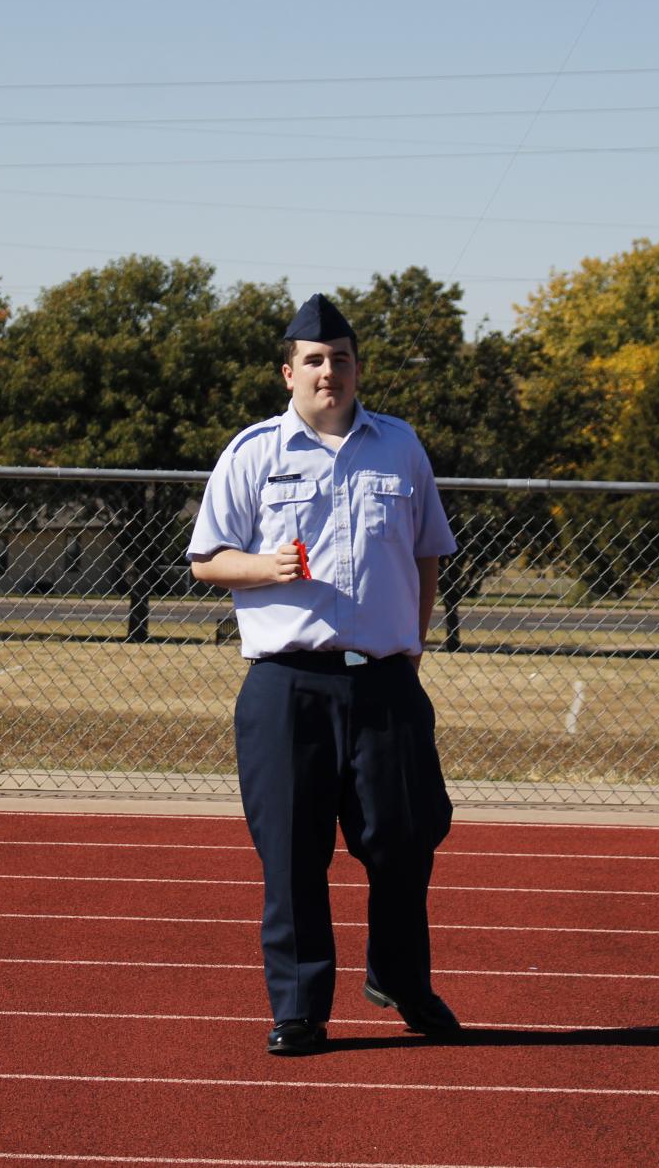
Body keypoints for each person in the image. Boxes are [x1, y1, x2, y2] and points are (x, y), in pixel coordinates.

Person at [188, 293, 460, 1057]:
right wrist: (264, 567)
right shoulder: (251, 454)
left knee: (407, 840)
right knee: (293, 853)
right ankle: (300, 1008)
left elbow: (426, 551)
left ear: (355, 368)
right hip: (286, 685)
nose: (327, 372)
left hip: (382, 683)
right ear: (288, 372)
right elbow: (208, 559)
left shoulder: (399, 446)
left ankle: (401, 980)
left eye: (340, 359)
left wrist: (411, 642)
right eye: (313, 361)